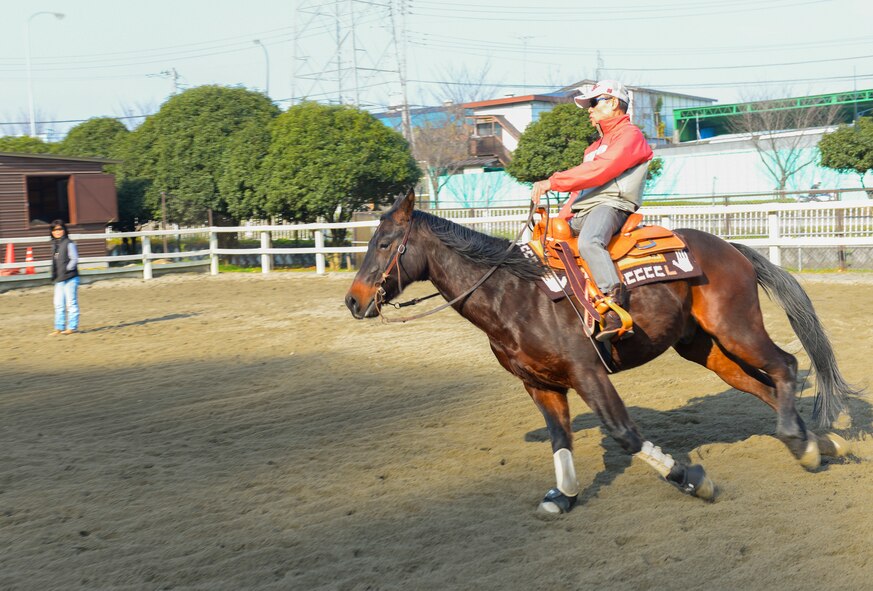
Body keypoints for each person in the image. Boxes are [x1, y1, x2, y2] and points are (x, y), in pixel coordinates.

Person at [531, 80, 653, 342]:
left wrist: (552, 182)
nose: (589, 109)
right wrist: (561, 219)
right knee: (545, 242)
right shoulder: (593, 148)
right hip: (583, 210)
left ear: (612, 103)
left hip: (612, 205)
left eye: (593, 103)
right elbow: (580, 189)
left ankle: (615, 307)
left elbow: (600, 171)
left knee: (589, 242)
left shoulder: (630, 136)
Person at [49, 220, 80, 335]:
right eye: (55, 230)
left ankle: (72, 327)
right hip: (59, 279)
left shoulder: (69, 243)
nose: (57, 232)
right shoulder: (55, 245)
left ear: (64, 230)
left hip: (70, 278)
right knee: (58, 304)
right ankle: (59, 327)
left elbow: (74, 259)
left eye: (59, 229)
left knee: (71, 303)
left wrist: (67, 269)